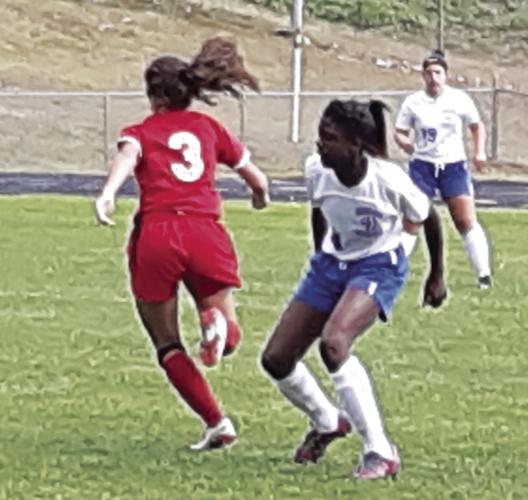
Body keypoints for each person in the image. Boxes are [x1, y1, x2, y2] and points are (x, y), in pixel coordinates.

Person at [93, 37, 269, 450]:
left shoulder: (140, 131)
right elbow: (257, 180)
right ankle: (215, 324)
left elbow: (128, 156)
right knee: (229, 335)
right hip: (205, 231)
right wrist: (260, 197)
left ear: (153, 95)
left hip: (157, 234)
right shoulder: (209, 128)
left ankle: (217, 423)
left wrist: (107, 194)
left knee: (167, 342)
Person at [259, 99, 429, 480]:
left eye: (329, 139)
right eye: (320, 136)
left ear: (356, 145)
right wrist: (320, 251)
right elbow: (320, 207)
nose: (320, 145)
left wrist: (435, 274)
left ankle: (380, 452)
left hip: (377, 264)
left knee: (334, 343)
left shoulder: (386, 178)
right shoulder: (316, 169)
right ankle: (326, 421)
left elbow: (424, 217)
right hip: (331, 264)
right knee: (276, 359)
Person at [393, 49, 493, 305]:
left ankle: (483, 274)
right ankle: (393, 271)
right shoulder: (413, 102)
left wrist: (479, 151)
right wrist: (407, 145)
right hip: (422, 167)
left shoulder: (459, 100)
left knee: (465, 219)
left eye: (437, 72)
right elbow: (400, 131)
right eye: (428, 73)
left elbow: (476, 126)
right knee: (413, 220)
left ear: (446, 75)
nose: (433, 78)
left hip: (452, 166)